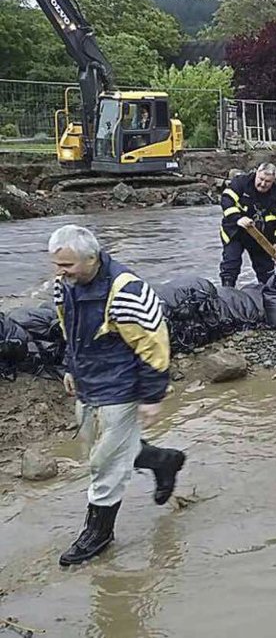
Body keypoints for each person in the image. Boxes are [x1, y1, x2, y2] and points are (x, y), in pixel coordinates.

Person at [50, 225, 185, 567]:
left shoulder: (126, 290)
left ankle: (99, 534)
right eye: (58, 264)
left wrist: (152, 396)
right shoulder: (63, 285)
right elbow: (70, 330)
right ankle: (163, 461)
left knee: (104, 463)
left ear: (92, 258)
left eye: (67, 265)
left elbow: (153, 342)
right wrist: (70, 367)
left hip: (121, 386)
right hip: (88, 381)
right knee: (103, 448)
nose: (60, 272)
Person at [219, 163, 276, 288]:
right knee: (231, 266)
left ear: (273, 180)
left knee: (266, 271)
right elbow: (226, 200)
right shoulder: (241, 183)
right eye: (261, 179)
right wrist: (238, 218)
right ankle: (227, 292)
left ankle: (268, 296)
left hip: (260, 236)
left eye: (267, 182)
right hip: (235, 232)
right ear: (256, 173)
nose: (263, 184)